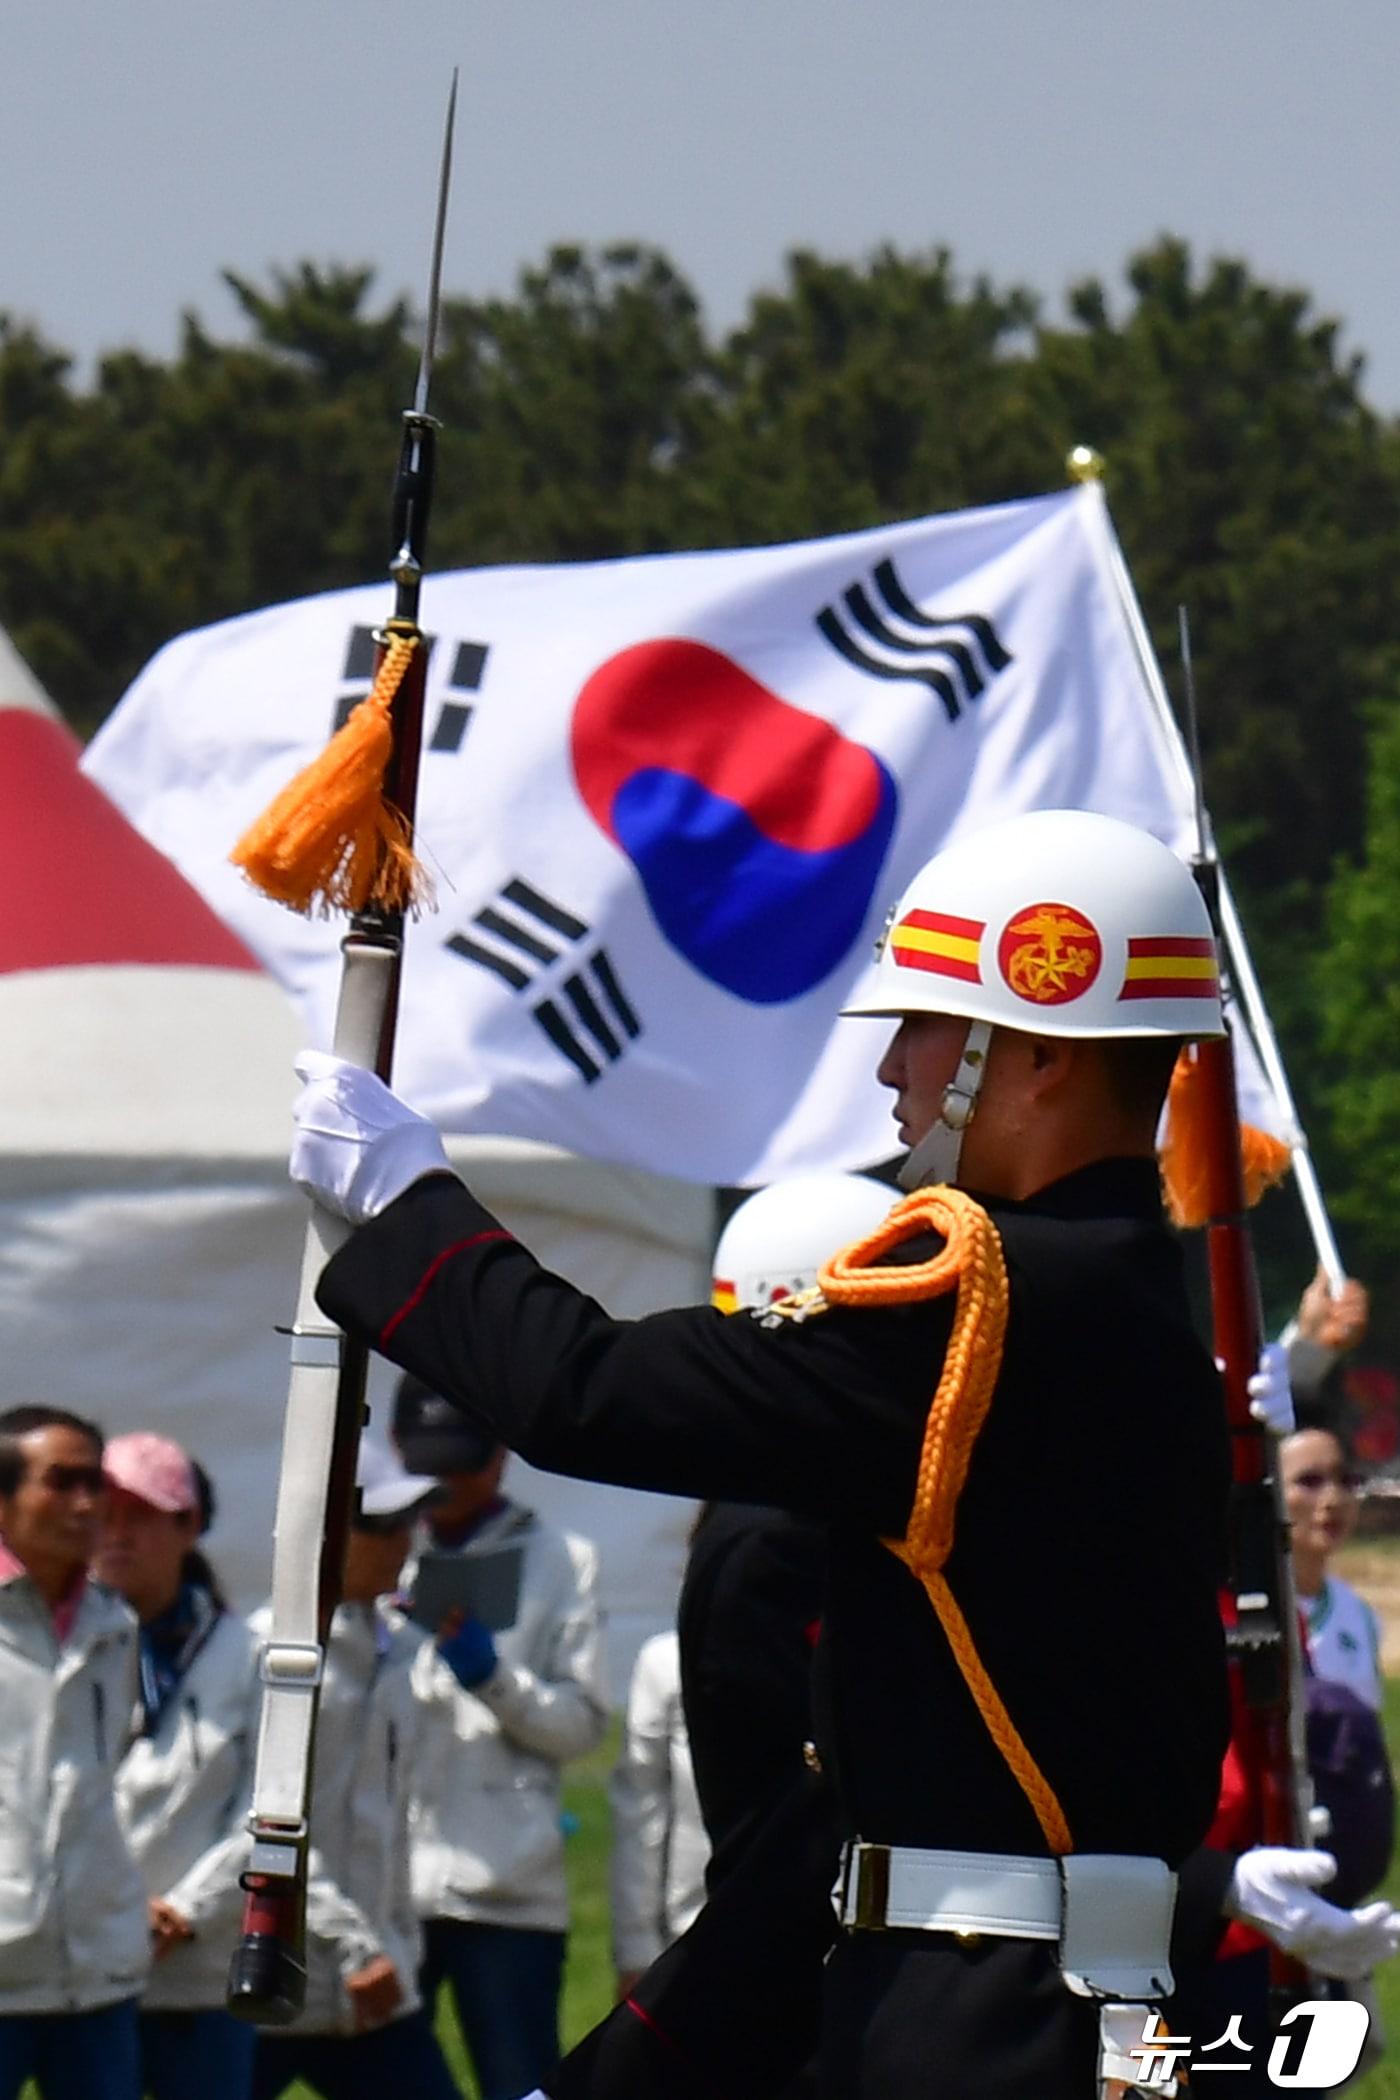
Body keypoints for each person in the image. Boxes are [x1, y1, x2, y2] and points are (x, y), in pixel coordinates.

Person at [291, 808, 1237, 2098]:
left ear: (1034, 1052)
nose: (890, 1070)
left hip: (962, 2020)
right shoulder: (1138, 1309)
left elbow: (594, 1394)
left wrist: (409, 1209)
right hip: (1103, 2014)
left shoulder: (977, 1297)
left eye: (921, 1024)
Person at [392, 1373, 609, 2100]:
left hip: (508, 1886)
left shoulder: (559, 1557)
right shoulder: (377, 1549)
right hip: (390, 1887)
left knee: (520, 2085)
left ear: (501, 1457)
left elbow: (580, 1728)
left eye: (464, 1463)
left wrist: (493, 1679)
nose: (445, 1484)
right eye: (428, 1466)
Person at [248, 1434, 461, 2100]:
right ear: (322, 1530)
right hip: (264, 1982)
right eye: (384, 1523)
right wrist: (357, 1946)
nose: (405, 1539)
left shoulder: (399, 1652)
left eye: (410, 1521)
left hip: (374, 1992)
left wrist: (392, 1950)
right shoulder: (269, 1656)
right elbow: (261, 1830)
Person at [93, 1433, 260, 2100]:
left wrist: (187, 1908)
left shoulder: (251, 1655)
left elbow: (271, 1806)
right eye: (103, 1513)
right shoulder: (63, 1646)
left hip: (199, 1968)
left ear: (189, 1525)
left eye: (141, 1515)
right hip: (88, 1962)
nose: (117, 1534)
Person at [0, 1406, 147, 2100]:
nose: (87, 1504)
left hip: (96, 1967)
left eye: (96, 1482)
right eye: (61, 1482)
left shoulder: (115, 1622)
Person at [609, 1628, 709, 1997]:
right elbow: (639, 1810)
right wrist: (636, 1949)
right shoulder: (668, 1660)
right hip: (691, 1936)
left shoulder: (827, 1649)